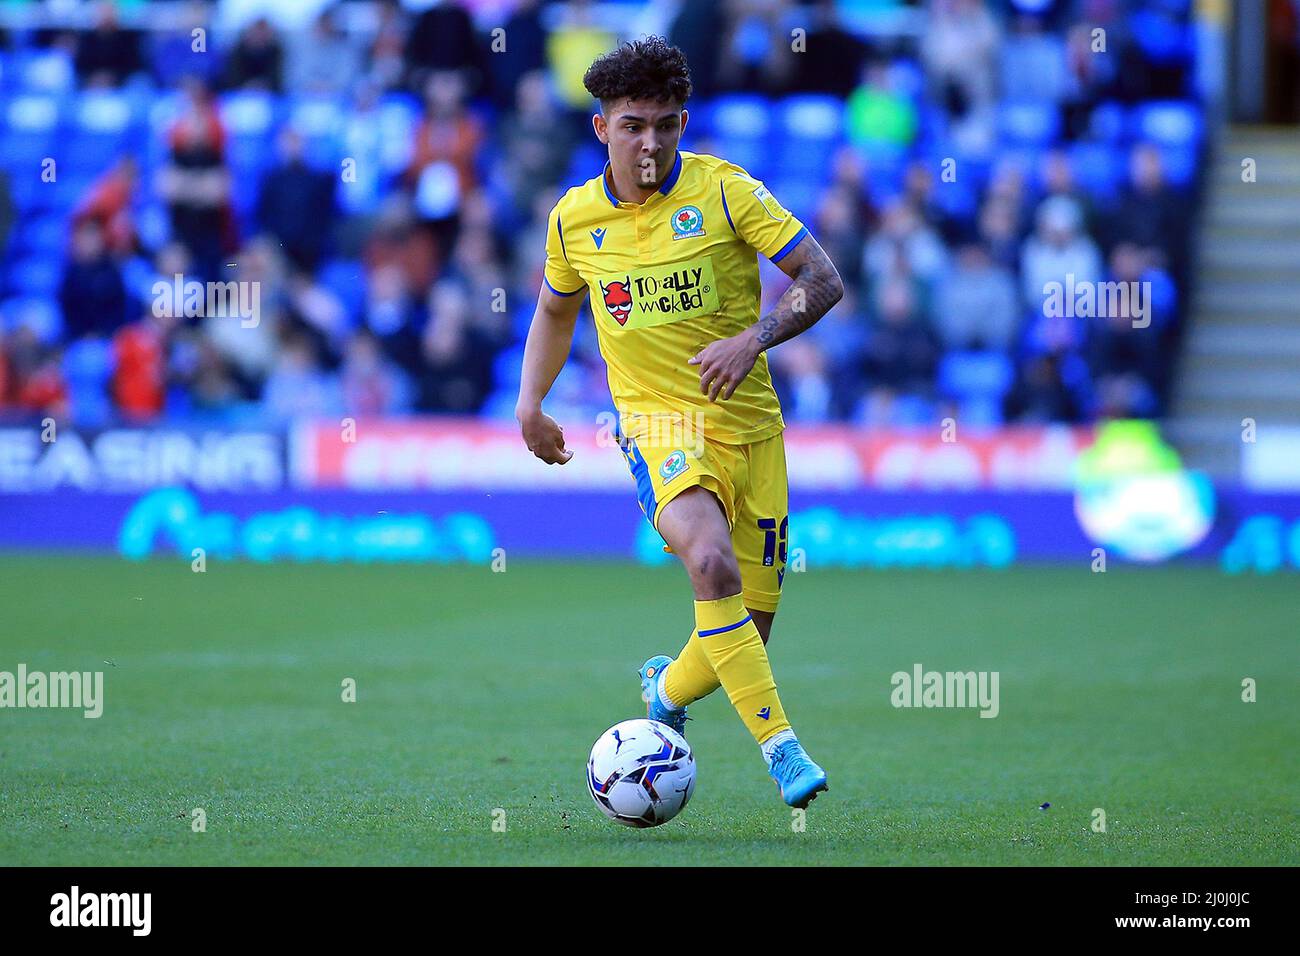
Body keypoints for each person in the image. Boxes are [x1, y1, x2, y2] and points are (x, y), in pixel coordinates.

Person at [514, 38, 843, 809]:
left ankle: (664, 688)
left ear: (684, 123)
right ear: (603, 129)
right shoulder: (573, 221)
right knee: (710, 564)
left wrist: (753, 337)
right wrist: (530, 402)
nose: (650, 142)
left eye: (665, 125)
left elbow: (822, 279)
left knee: (743, 635)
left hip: (752, 432)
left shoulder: (727, 192)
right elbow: (557, 311)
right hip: (658, 428)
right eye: (632, 125)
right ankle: (782, 749)